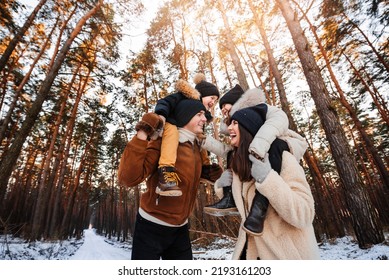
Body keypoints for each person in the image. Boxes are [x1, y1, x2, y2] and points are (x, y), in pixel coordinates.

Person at [213, 106, 320, 259]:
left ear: (248, 128)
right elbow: (242, 208)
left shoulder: (284, 159)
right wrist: (221, 186)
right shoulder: (239, 169)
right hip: (251, 252)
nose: (228, 127)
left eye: (235, 123)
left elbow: (305, 214)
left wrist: (268, 179)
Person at [118, 98, 209, 260]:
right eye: (199, 114)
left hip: (180, 228)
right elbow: (129, 178)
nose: (205, 119)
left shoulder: (196, 146)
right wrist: (143, 133)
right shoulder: (163, 142)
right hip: (151, 226)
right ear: (186, 115)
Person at [204, 85, 293, 236]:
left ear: (238, 102)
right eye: (222, 111)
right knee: (233, 154)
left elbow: (278, 121)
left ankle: (260, 207)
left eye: (225, 107)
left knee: (274, 147)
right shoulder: (237, 132)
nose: (223, 112)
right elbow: (228, 150)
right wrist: (204, 141)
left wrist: (258, 146)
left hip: (275, 146)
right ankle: (229, 197)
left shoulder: (264, 109)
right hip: (252, 150)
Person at [154, 74, 221, 196]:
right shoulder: (184, 96)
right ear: (202, 93)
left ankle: (205, 169)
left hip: (189, 132)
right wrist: (161, 115)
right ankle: (166, 171)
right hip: (172, 123)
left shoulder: (203, 115)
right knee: (172, 133)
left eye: (215, 100)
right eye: (212, 98)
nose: (213, 102)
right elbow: (165, 102)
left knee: (201, 138)